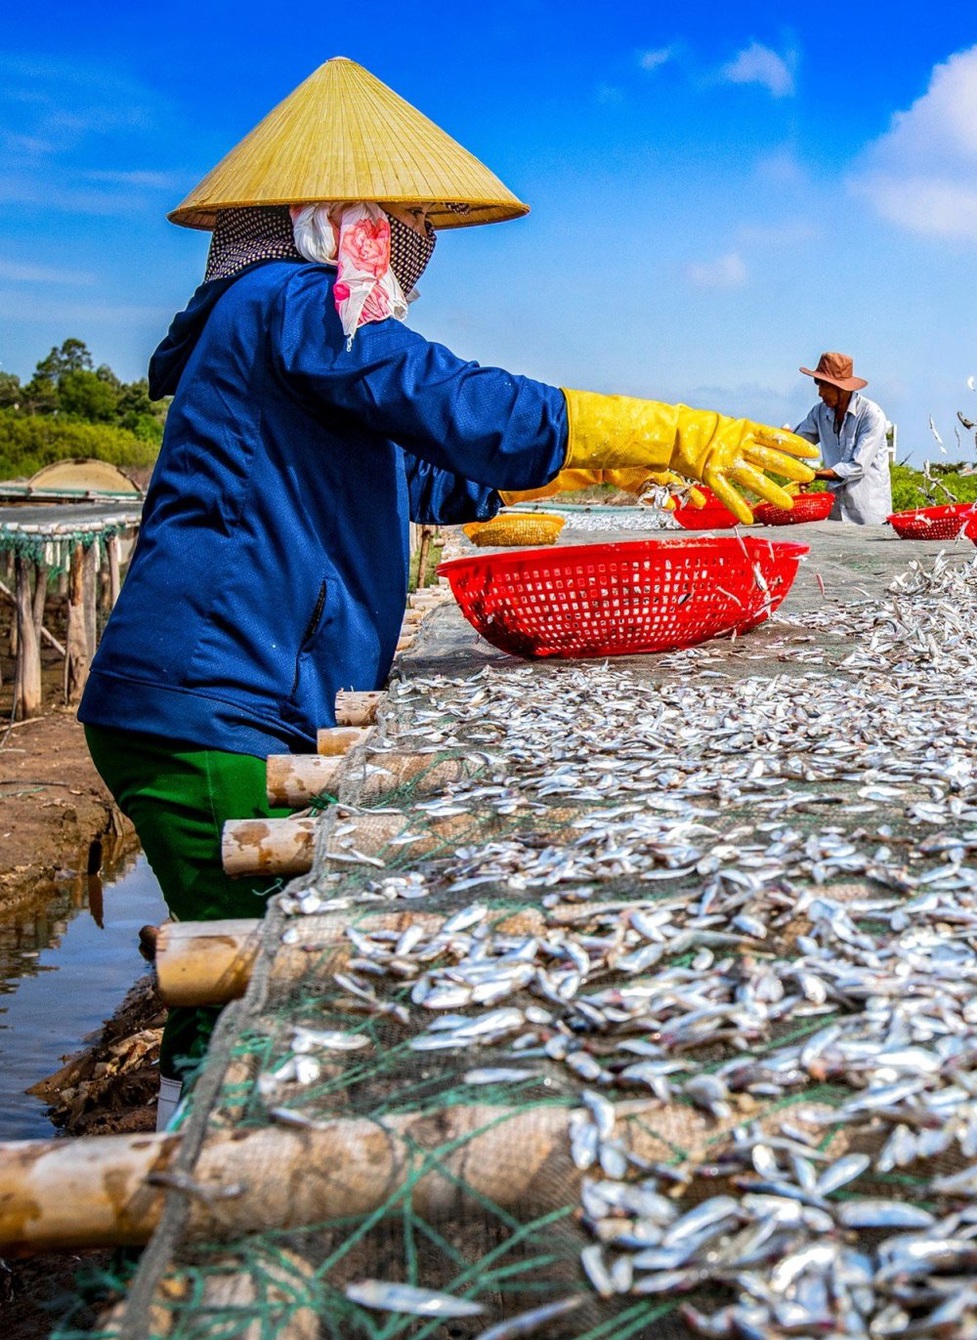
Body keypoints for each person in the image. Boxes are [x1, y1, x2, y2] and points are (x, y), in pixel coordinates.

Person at [78, 58, 816, 1121]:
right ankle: (211, 1187)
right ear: (341, 223)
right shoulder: (286, 299)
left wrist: (612, 477)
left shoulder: (277, 332)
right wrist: (667, 427)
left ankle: (196, 1130)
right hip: (213, 700)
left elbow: (424, 467)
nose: (411, 247)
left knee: (235, 970)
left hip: (232, 689)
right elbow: (440, 396)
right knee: (263, 971)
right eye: (401, 222)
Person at [795, 353, 892, 525]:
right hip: (836, 514)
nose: (820, 393)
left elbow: (857, 467)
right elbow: (797, 443)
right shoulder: (819, 413)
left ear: (840, 388)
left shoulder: (871, 414)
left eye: (823, 386)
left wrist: (812, 475)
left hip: (868, 515)